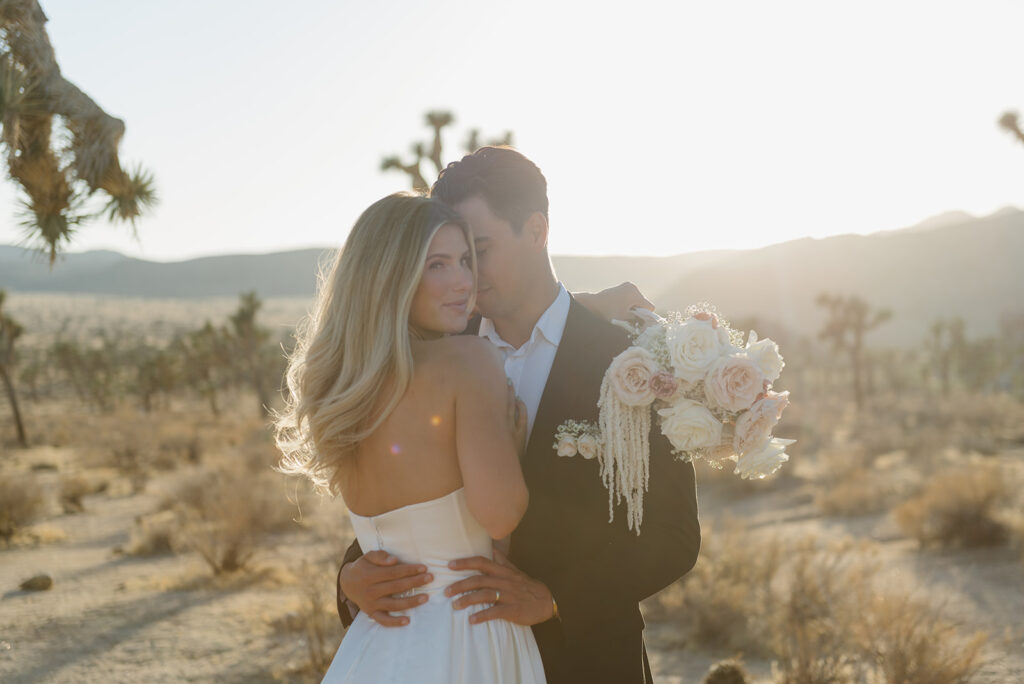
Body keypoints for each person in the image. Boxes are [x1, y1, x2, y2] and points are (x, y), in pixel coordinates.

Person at [336, 147, 701, 684]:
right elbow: (408, 500)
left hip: (588, 663)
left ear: (536, 230)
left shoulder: (629, 360)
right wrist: (350, 580)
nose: (466, 276)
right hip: (453, 663)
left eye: (478, 250)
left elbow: (673, 536)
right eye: (449, 257)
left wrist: (554, 597)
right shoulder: (426, 354)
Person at [274, 193, 547, 682]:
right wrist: (511, 445)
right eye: (437, 265)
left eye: (466, 260)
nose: (465, 281)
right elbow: (501, 516)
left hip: (378, 640)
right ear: (391, 277)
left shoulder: (341, 389)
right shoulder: (470, 362)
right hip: (468, 635)